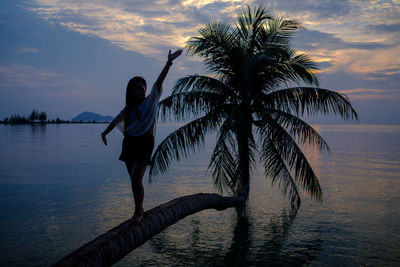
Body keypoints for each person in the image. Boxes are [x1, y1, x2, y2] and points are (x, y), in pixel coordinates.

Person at [101, 49, 183, 223]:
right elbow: (116, 120)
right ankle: (139, 208)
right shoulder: (129, 108)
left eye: (142, 87)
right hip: (129, 142)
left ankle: (138, 212)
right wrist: (105, 133)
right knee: (133, 180)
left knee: (137, 178)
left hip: (145, 142)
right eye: (137, 88)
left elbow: (159, 81)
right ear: (131, 92)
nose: (141, 90)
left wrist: (169, 62)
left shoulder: (151, 100)